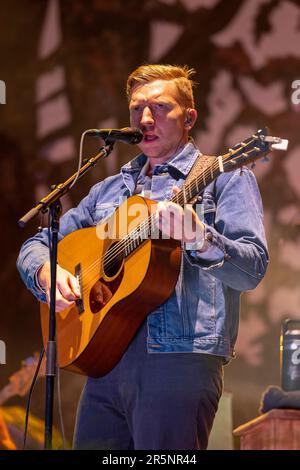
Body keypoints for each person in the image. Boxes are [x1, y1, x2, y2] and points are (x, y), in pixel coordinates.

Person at [17, 64, 268, 450]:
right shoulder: (108, 190)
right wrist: (46, 272)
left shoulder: (224, 177)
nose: (146, 119)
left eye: (160, 108)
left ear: (190, 117)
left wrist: (201, 239)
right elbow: (37, 243)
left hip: (179, 361)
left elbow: (251, 269)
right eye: (137, 109)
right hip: (105, 358)